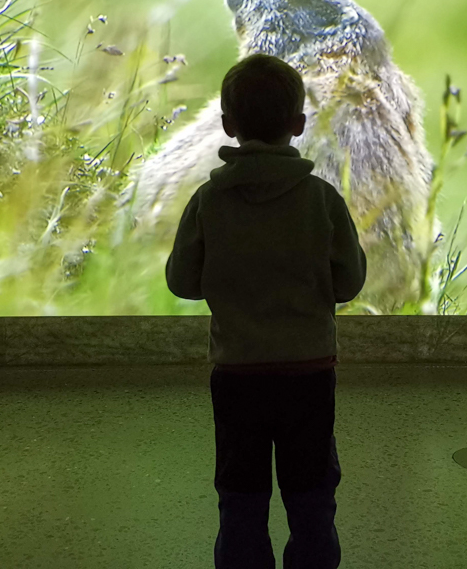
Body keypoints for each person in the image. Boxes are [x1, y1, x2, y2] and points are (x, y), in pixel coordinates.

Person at [165, 52, 367, 569]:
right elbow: (350, 282)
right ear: (298, 125)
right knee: (312, 492)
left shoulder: (208, 202)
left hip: (237, 375)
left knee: (240, 493)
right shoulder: (323, 200)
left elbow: (180, 282)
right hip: (309, 373)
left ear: (228, 124)